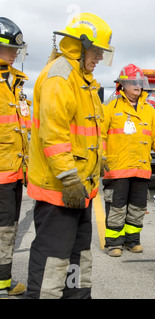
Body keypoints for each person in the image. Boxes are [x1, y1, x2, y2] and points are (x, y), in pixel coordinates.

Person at [26, 12, 114, 299]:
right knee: (53, 258)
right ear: (80, 46)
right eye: (97, 51)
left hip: (80, 188)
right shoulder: (59, 77)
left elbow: (88, 129)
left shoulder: (82, 79)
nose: (100, 57)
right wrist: (68, 177)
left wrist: (97, 160)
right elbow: (53, 135)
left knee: (78, 256)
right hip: (60, 189)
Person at [101, 64, 155, 257]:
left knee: (137, 208)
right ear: (122, 85)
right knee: (117, 208)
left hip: (141, 169)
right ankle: (113, 243)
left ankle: (132, 241)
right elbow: (100, 136)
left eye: (139, 82)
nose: (137, 85)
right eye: (133, 82)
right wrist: (101, 158)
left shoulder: (149, 110)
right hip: (117, 168)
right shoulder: (111, 107)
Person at [0, 17, 31, 297]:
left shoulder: (16, 84)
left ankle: (3, 280)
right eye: (12, 49)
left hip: (14, 170)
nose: (16, 54)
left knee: (7, 228)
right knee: (2, 229)